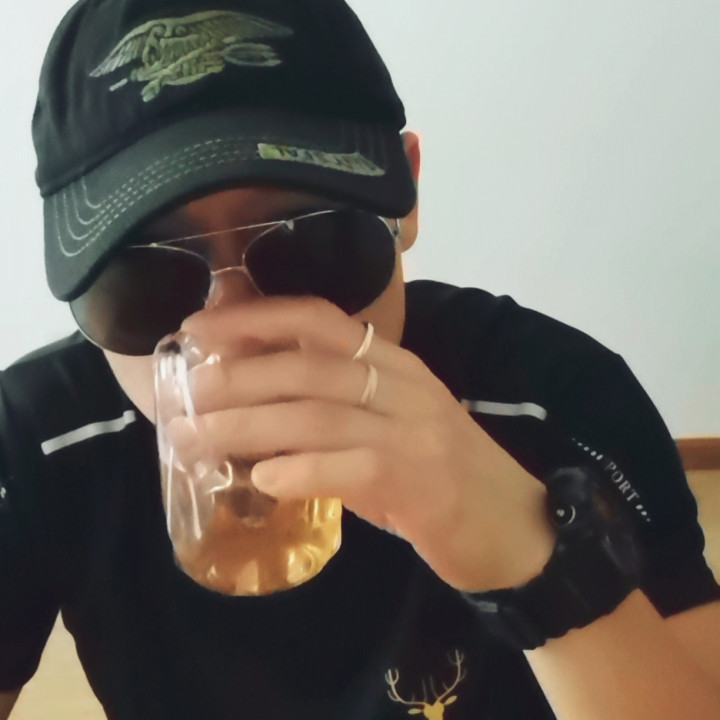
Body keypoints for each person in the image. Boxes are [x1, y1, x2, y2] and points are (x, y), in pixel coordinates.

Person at [1, 0, 719, 717]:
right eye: (145, 280)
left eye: (309, 241)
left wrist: (539, 564)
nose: (237, 336)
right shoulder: (36, 440)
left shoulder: (556, 395)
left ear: (405, 200)